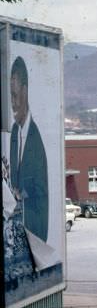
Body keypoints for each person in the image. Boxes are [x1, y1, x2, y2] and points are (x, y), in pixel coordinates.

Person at [7, 56, 53, 269]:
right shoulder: (15, 132)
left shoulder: (37, 139)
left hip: (34, 235)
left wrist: (19, 193)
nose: (13, 103)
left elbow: (40, 191)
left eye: (15, 96)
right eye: (10, 96)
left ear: (25, 91)